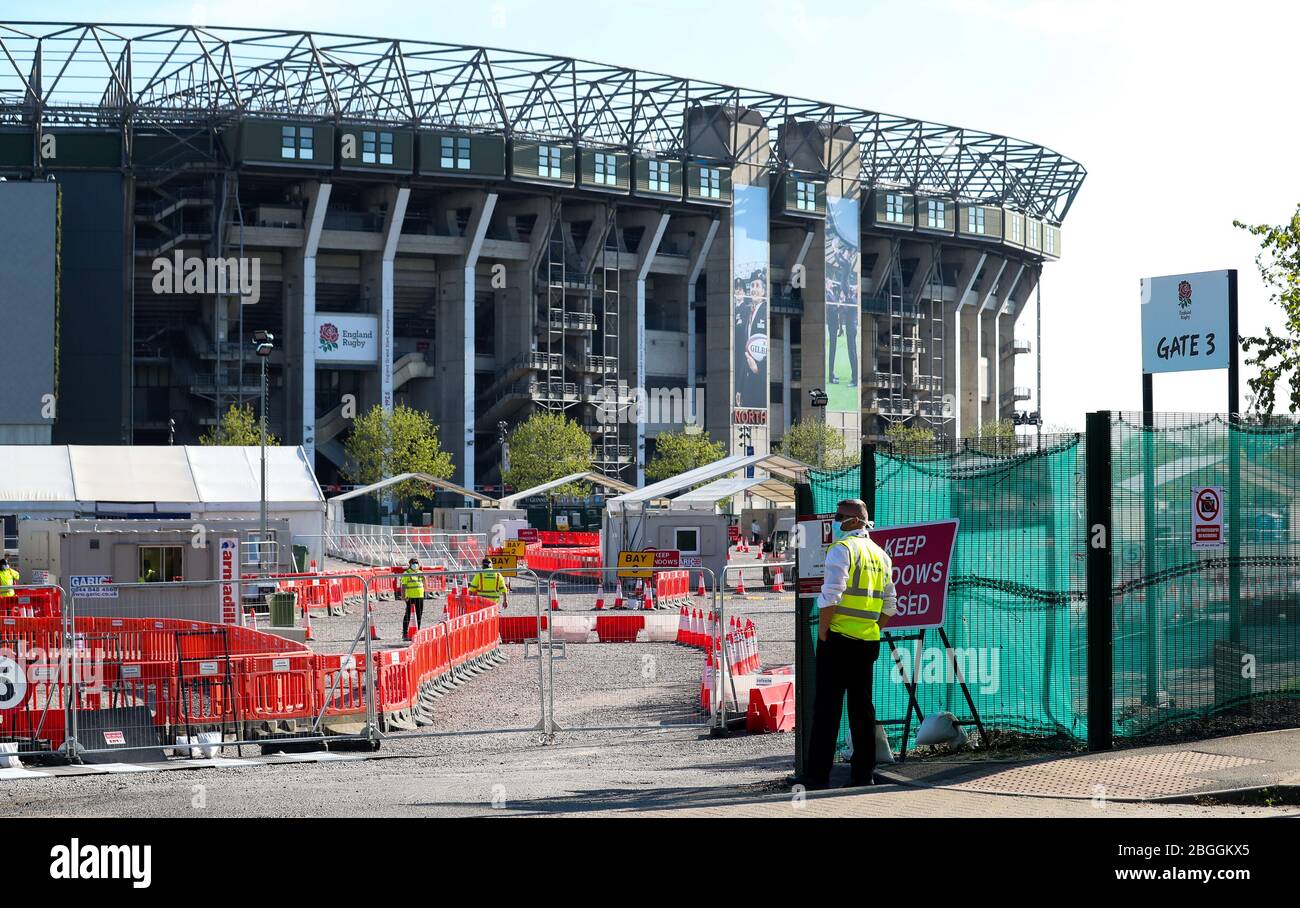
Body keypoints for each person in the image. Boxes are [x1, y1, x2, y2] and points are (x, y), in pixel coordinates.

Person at [792, 498, 897, 791]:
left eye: (840, 516)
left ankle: (817, 776)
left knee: (827, 709)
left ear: (853, 521)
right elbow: (891, 604)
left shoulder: (842, 550)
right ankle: (863, 775)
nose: (835, 521)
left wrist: (823, 633)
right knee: (862, 710)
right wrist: (873, 628)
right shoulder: (880, 555)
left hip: (837, 640)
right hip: (867, 642)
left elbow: (831, 597)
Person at [400, 557, 425, 638]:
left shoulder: (420, 572)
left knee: (419, 614)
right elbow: (403, 585)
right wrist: (403, 595)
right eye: (413, 563)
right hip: (410, 597)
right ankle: (405, 633)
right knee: (408, 615)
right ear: (410, 564)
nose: (415, 564)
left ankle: (417, 632)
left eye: (416, 563)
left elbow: (424, 583)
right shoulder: (407, 573)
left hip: (420, 596)